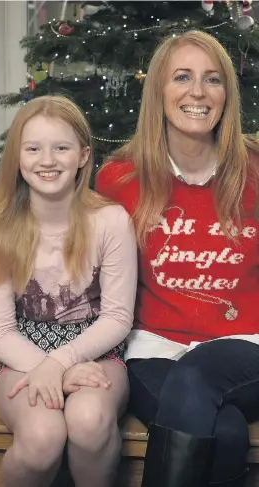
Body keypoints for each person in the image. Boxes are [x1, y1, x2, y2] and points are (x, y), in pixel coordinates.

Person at [96, 30, 259, 487]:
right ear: (159, 92)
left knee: (199, 372)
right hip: (155, 349)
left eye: (212, 80)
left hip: (249, 347)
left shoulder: (256, 171)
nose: (197, 92)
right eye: (182, 77)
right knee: (225, 433)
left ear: (227, 93)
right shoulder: (118, 178)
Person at [0, 95, 137, 487]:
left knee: (89, 420)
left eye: (61, 147)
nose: (47, 160)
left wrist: (63, 362)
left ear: (82, 155)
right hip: (21, 354)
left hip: (96, 349)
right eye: (33, 148)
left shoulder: (111, 221)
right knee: (43, 436)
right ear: (17, 157)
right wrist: (53, 370)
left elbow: (116, 317)